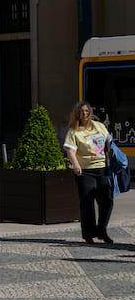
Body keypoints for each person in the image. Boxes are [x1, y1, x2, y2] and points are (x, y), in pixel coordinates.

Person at [63, 100, 113, 244]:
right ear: (77, 114)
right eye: (82, 111)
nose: (85, 113)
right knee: (87, 203)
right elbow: (70, 150)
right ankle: (88, 234)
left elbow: (109, 142)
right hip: (84, 171)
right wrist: (76, 165)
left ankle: (102, 230)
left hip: (102, 168)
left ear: (90, 113)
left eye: (87, 111)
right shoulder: (74, 131)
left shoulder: (99, 126)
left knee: (107, 201)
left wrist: (110, 153)